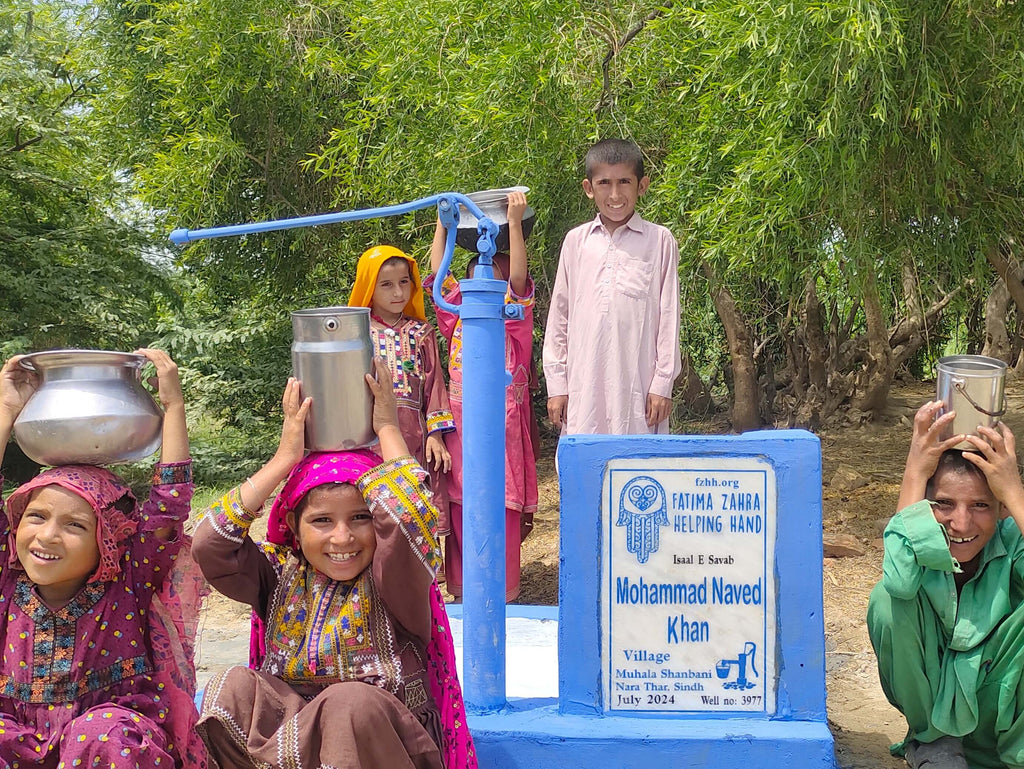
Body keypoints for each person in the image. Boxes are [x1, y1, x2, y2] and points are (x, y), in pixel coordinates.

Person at [192, 359, 475, 769]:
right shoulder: (279, 573)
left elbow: (409, 516)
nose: (342, 538)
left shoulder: (394, 576)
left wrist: (388, 428)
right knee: (232, 686)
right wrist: (284, 459)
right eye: (322, 521)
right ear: (293, 524)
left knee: (348, 703)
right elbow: (210, 544)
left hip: (382, 743)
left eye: (361, 518)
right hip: (298, 736)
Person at [0, 350, 206, 769]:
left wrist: (172, 406)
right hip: (18, 741)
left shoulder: (128, 580)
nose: (47, 536)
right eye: (36, 517)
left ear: (109, 543)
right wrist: (6, 410)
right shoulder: (7, 577)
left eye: (75, 526)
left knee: (102, 731)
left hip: (106, 741)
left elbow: (170, 504)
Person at [867, 400, 1024, 769]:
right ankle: (932, 742)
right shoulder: (917, 539)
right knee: (886, 601)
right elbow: (899, 584)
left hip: (1003, 728)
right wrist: (914, 471)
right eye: (943, 504)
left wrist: (1013, 490)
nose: (962, 523)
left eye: (981, 505)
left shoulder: (1011, 537)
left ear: (1001, 508)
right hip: (937, 736)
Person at [424, 189, 541, 602]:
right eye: (473, 278)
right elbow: (439, 275)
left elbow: (519, 280)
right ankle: (463, 594)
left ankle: (502, 596)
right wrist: (444, 225)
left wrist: (514, 224)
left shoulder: (513, 321)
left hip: (501, 432)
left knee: (501, 508)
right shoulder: (457, 317)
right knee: (461, 507)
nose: (480, 286)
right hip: (460, 432)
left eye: (492, 280)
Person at [543, 137, 682, 435]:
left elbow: (669, 318)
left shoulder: (659, 241)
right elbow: (559, 318)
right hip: (583, 388)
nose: (615, 194)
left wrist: (662, 384)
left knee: (638, 459)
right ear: (588, 188)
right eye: (604, 183)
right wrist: (556, 384)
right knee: (584, 454)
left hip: (639, 389)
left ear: (642, 186)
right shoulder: (576, 242)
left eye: (624, 182)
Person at [348, 245, 455, 530]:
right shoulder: (356, 334)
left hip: (415, 434)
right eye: (386, 284)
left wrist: (436, 434)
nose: (398, 292)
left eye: (404, 281)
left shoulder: (421, 332)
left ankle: (425, 557)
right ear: (369, 287)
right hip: (367, 435)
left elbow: (434, 385)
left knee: (418, 500)